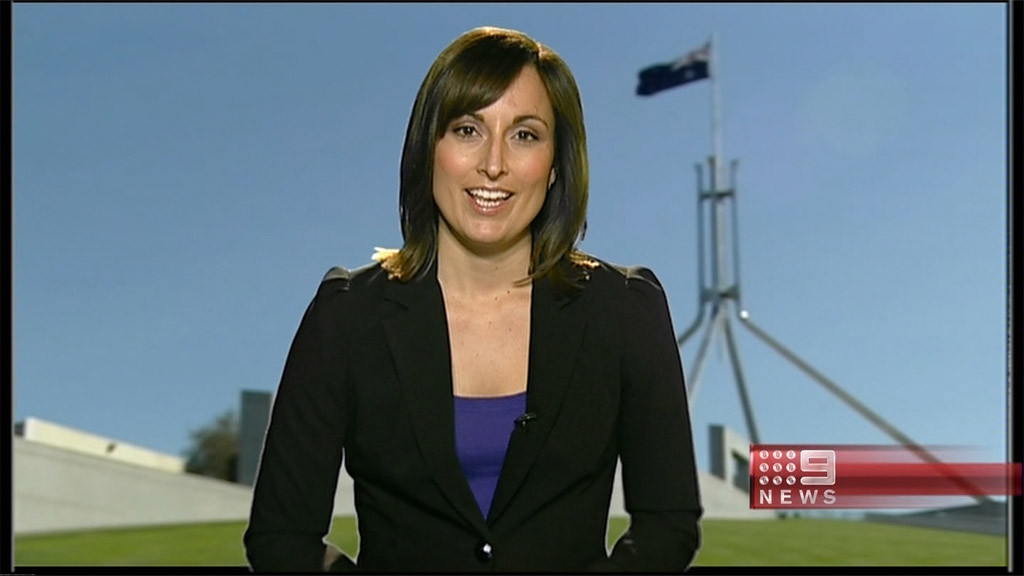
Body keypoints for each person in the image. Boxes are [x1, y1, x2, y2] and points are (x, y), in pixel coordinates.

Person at [243, 25, 702, 572]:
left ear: (556, 163)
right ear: (429, 148)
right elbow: (281, 538)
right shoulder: (346, 316)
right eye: (467, 129)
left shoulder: (625, 310)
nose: (493, 163)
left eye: (525, 135)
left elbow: (667, 526)